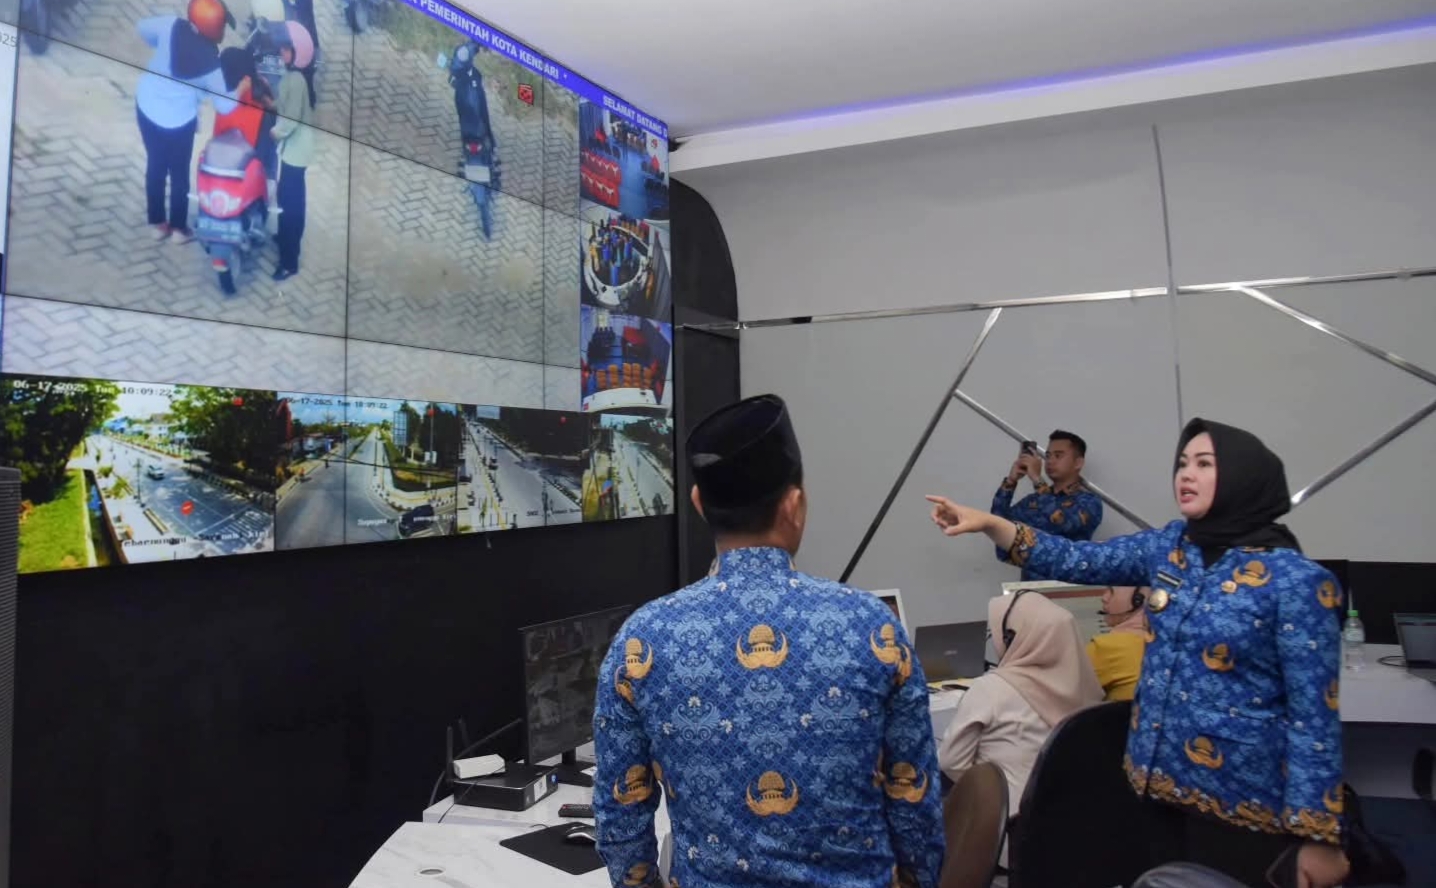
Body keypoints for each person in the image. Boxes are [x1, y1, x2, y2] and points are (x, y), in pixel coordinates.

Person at [926, 418, 1349, 888]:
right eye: (1182, 463)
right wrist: (991, 524)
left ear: (1243, 476)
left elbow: (1314, 719)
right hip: (1150, 792)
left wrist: (1319, 836)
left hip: (1243, 806)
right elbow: (1076, 559)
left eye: (1204, 464)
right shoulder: (1171, 546)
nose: (1186, 474)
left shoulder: (1298, 582)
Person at [593, 394, 945, 888]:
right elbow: (915, 808)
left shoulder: (641, 642)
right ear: (794, 506)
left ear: (699, 504)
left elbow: (620, 821)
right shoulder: (874, 628)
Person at [938, 591, 1102, 819]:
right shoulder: (1088, 687)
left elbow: (951, 763)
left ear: (1011, 638)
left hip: (1004, 824)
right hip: (1073, 819)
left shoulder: (990, 689)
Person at [136, 0, 241, 244]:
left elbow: (142, 28)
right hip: (179, 122)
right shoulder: (211, 66)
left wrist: (161, 51)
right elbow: (225, 106)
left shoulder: (170, 25)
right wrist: (241, 89)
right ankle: (178, 230)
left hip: (147, 106)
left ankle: (157, 224)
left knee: (155, 165)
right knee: (179, 173)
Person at [991, 431, 1104, 580]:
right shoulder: (1034, 500)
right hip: (1030, 588)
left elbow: (1065, 524)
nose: (1050, 461)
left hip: (1068, 588)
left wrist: (1037, 480)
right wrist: (1011, 482)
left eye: (1058, 456)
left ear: (1078, 463)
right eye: (1048, 456)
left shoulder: (1089, 501)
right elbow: (999, 525)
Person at [270, 22, 315, 282]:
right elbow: (285, 103)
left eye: (286, 49)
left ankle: (289, 262)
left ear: (297, 53)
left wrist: (275, 132)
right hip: (294, 150)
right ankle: (285, 238)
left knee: (290, 204)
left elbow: (292, 120)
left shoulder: (296, 81)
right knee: (287, 197)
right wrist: (271, 103)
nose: (281, 52)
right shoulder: (292, 76)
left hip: (296, 152)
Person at [1087, 585, 1150, 702]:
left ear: (1138, 600)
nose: (1104, 598)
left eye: (1112, 591)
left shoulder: (1106, 647)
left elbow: (1067, 693)